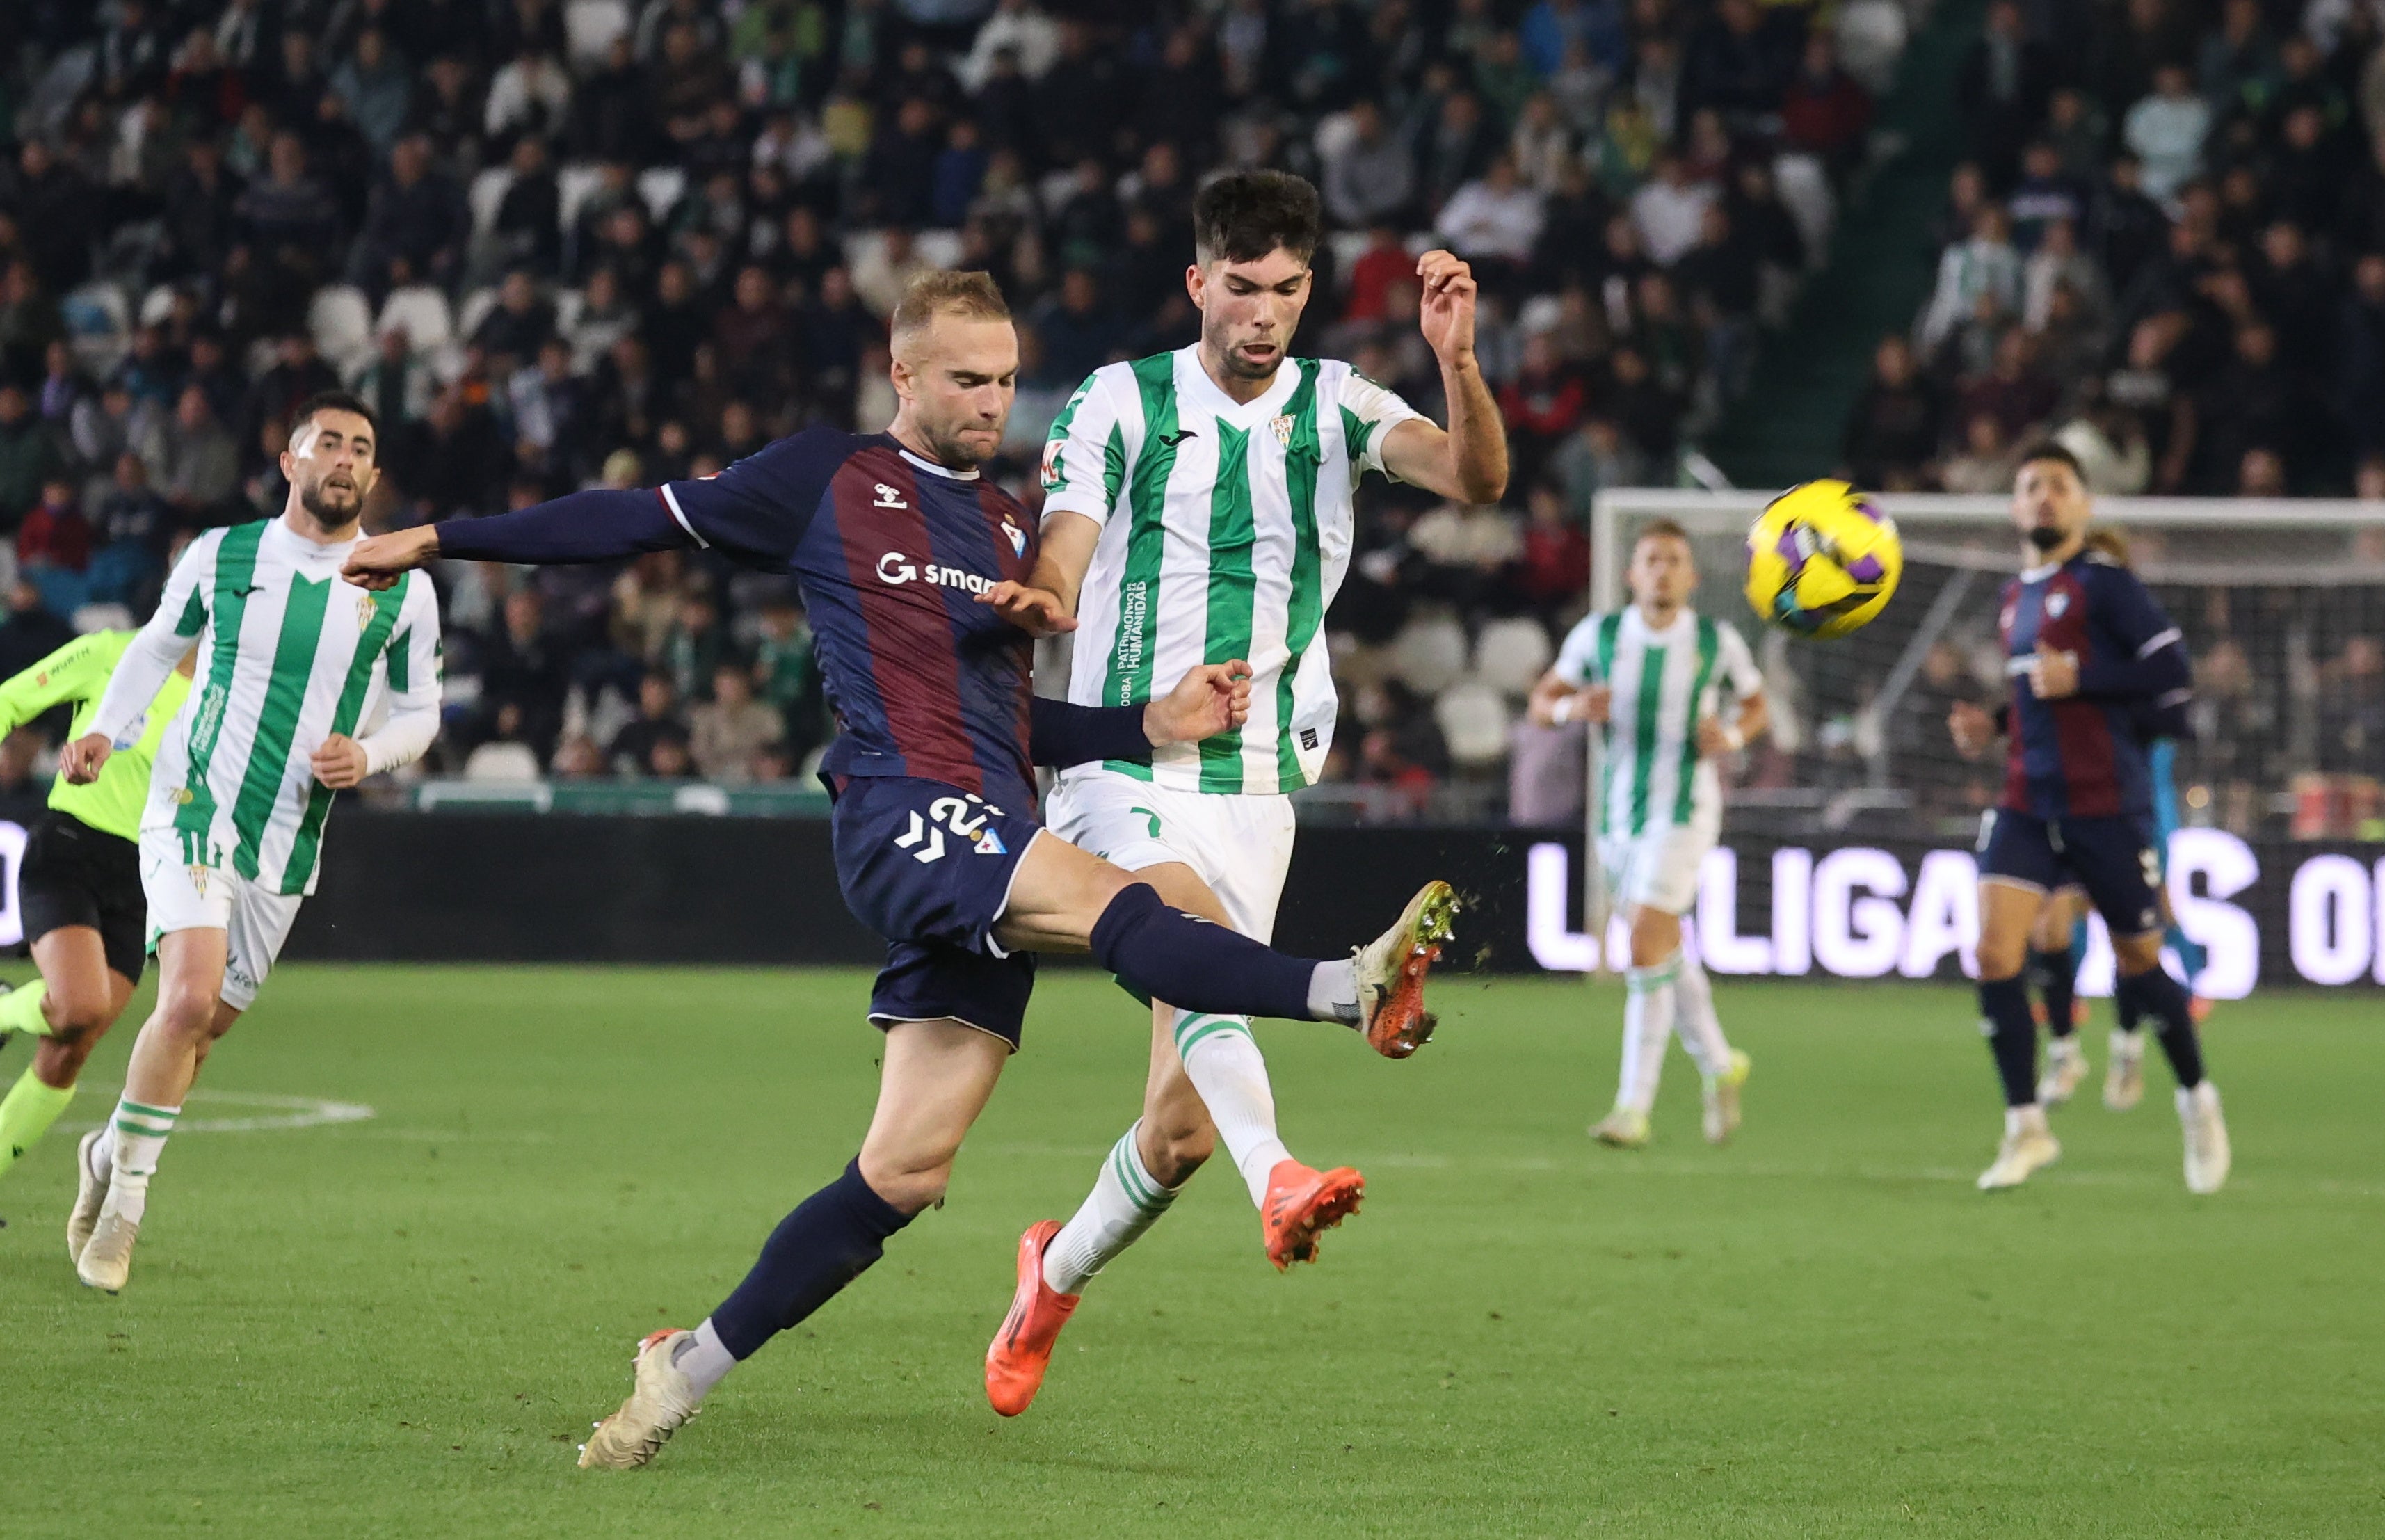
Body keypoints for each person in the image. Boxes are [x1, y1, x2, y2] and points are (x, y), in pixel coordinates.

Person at [339, 271, 1459, 1470]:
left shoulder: (1013, 532)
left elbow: (1016, 720)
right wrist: (442, 538)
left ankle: (680, 1369)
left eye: (1005, 380)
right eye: (967, 379)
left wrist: (1147, 721)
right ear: (904, 375)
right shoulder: (825, 478)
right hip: (902, 812)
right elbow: (629, 516)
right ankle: (1346, 987)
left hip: (989, 822)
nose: (992, 403)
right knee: (1133, 902)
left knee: (905, 1171)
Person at [973, 170, 1509, 1418]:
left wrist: (1457, 361)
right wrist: (1046, 595)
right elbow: (1065, 528)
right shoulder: (1120, 398)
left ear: (1304, 289)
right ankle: (1280, 1175)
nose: (1262, 312)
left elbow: (1472, 480)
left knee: (1172, 1134)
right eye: (1240, 285)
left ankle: (1046, 1277)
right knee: (1187, 937)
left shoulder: (1335, 406)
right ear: (1197, 282)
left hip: (1257, 782)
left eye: (1284, 289)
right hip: (1121, 764)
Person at [58, 392, 444, 1292]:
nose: (344, 458)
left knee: (206, 1026)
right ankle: (124, 1213)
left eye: (361, 448)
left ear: (374, 475)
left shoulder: (402, 585)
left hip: (290, 831)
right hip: (194, 800)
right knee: (187, 996)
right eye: (328, 442)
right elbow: (157, 648)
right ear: (291, 460)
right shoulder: (223, 554)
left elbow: (421, 711)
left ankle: (107, 1150)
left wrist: (373, 749)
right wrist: (108, 730)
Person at [1947, 444, 2226, 1194]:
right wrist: (1997, 724)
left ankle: (2197, 1097)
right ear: (2014, 507)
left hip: (2106, 807)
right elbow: (2042, 697)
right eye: (2030, 486)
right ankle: (2025, 1128)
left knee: (2141, 964)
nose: (2044, 498)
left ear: (2084, 506)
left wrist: (2088, 677)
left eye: (2059, 487)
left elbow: (2172, 669)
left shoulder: (2106, 586)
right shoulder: (2015, 598)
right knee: (1993, 953)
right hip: (2026, 803)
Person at [1525, 520, 1767, 1149]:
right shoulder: (1599, 636)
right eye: (1652, 560)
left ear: (1692, 576)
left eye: (1674, 561)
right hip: (1616, 820)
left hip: (1684, 811)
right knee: (1658, 947)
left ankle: (1633, 1108)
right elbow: (1540, 701)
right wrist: (1570, 709)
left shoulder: (1716, 641)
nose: (1662, 570)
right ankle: (1719, 1061)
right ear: (1632, 574)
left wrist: (1733, 737)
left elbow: (1755, 704)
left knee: (1642, 946)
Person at [0, 632, 196, 1196]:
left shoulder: (230, 689)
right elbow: (12, 700)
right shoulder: (113, 652)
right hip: (71, 846)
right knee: (80, 1004)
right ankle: (8, 1009)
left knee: (71, 1048)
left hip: (147, 880)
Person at [2029, 529, 2212, 1112]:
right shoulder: (2065, 655)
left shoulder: (2138, 660)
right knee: (2058, 921)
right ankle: (2065, 1043)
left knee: (2136, 933)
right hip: (2074, 804)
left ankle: (2128, 1042)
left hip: (2138, 810)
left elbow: (2175, 714)